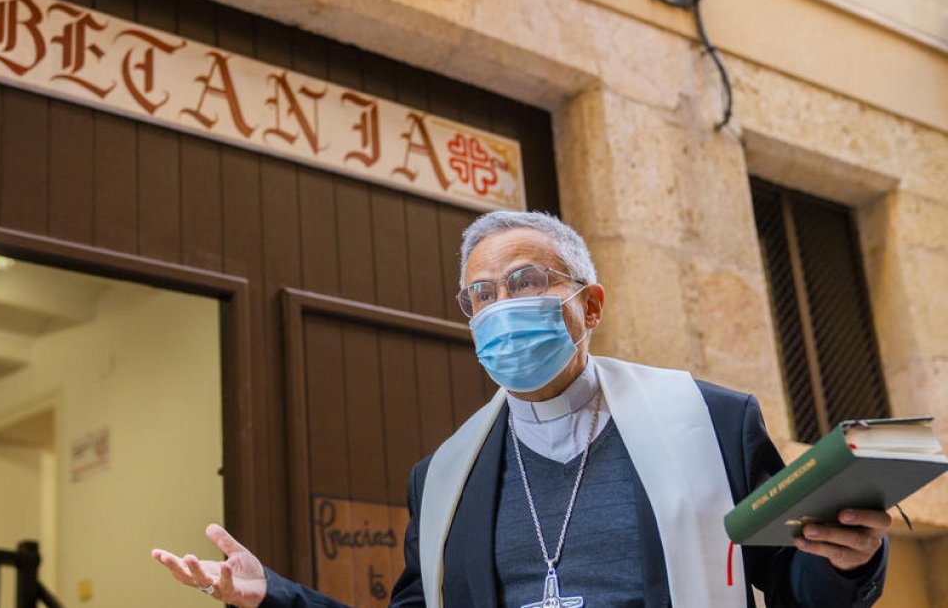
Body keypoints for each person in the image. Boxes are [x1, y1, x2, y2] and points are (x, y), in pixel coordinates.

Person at [153, 211, 890, 607]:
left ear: (588, 302)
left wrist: (852, 561)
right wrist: (274, 596)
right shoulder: (443, 475)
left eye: (526, 281)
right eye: (481, 295)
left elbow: (792, 583)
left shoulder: (710, 419)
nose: (500, 307)